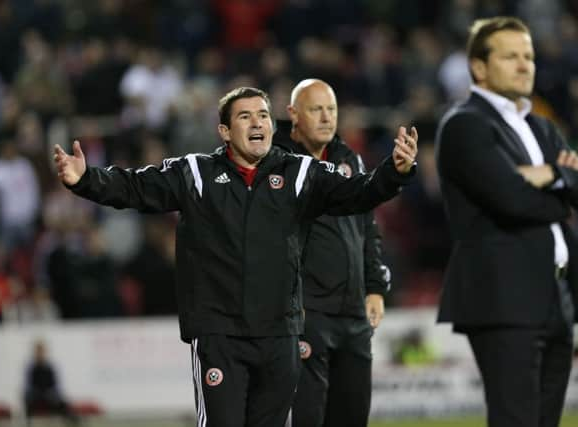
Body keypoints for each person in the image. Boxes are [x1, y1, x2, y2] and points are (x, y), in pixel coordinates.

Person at [53, 86, 418, 427]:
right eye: (245, 117)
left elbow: (358, 192)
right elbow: (134, 187)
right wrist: (86, 179)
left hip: (281, 336)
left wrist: (394, 172)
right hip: (219, 336)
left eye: (263, 115)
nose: (257, 122)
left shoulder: (301, 173)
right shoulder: (195, 174)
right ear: (225, 131)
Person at [435, 16, 578, 427]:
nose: (525, 65)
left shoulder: (541, 126)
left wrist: (554, 175)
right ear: (479, 67)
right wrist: (563, 192)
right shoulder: (465, 124)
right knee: (516, 419)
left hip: (557, 295)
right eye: (511, 56)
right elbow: (511, 200)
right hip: (504, 296)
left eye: (529, 57)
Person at [273, 79, 400, 427]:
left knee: (353, 415)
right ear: (293, 114)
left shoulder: (349, 159)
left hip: (353, 310)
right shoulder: (277, 165)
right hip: (306, 311)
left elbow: (367, 228)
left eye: (331, 109)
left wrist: (374, 287)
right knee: (308, 416)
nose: (327, 117)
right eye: (316, 109)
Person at [23, 340, 78, 425]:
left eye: (42, 351)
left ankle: (73, 423)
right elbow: (28, 386)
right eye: (38, 351)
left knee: (63, 404)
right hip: (35, 397)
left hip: (49, 396)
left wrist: (53, 393)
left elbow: (56, 385)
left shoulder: (50, 367)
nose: (40, 353)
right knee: (28, 401)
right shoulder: (31, 368)